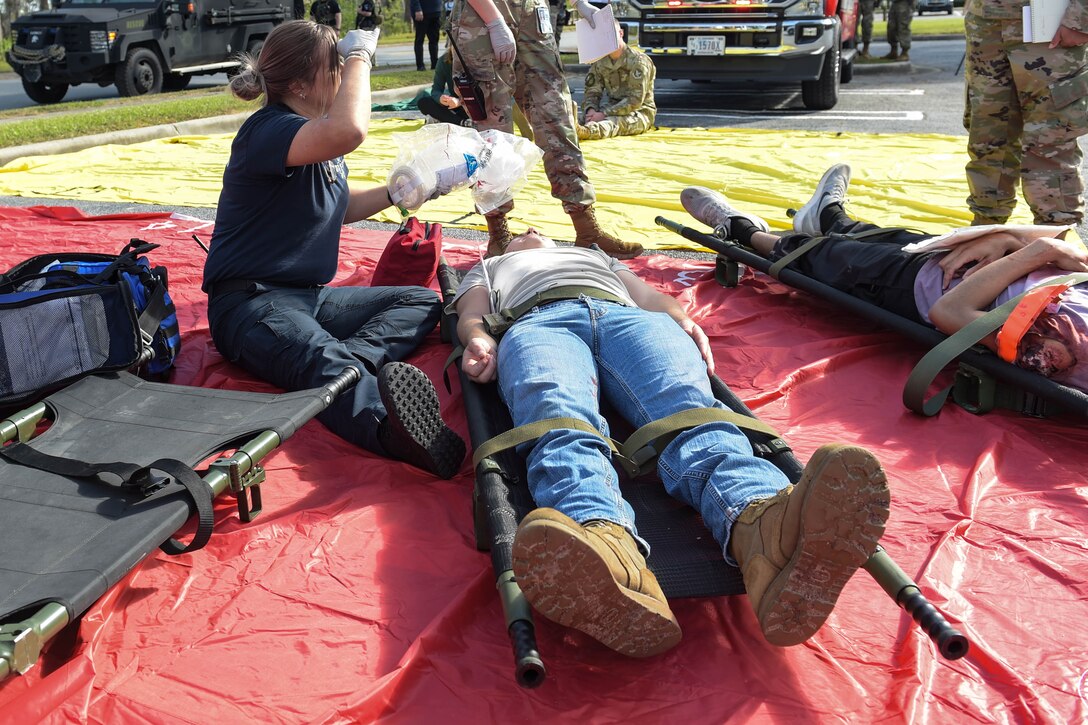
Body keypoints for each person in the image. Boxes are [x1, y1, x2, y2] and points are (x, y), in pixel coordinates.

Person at [449, 229, 891, 657]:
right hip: (535, 322)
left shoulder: (594, 256)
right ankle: (606, 548)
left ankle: (764, 528)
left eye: (537, 226)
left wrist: (680, 318)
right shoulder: (490, 266)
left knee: (691, 411)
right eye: (520, 231)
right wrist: (479, 339)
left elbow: (647, 296)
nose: (529, 228)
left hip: (627, 318)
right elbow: (471, 312)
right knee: (557, 420)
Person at [202, 21, 466, 480]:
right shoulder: (267, 131)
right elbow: (349, 129)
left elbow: (339, 208)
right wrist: (362, 56)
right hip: (249, 303)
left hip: (306, 298)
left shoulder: (310, 139)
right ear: (301, 83)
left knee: (419, 300)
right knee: (321, 357)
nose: (344, 78)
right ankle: (390, 428)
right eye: (335, 69)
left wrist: (404, 189)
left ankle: (351, 366)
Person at [681, 164, 1088, 393]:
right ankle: (830, 218)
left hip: (921, 288)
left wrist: (1040, 250)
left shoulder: (1064, 356)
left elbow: (950, 312)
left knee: (825, 257)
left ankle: (742, 230)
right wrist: (1010, 240)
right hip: (970, 259)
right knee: (898, 238)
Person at [447, 0, 643, 259]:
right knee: (492, 131)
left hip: (531, 14)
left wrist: (579, 3)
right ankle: (498, 235)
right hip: (481, 17)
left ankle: (587, 230)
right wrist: (494, 21)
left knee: (557, 117)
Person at [963, 0, 1088, 227]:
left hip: (1051, 24)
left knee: (1050, 135)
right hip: (986, 23)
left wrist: (1081, 18)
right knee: (988, 131)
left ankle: (1055, 234)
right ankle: (986, 226)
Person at [576, 22, 656, 141]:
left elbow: (635, 101)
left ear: (621, 33)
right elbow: (592, 92)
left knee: (614, 123)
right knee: (577, 119)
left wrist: (603, 114)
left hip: (639, 112)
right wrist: (591, 111)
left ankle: (588, 132)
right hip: (610, 108)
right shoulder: (600, 62)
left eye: (611, 34)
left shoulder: (638, 61)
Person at [418, 47, 471, 125]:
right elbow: (436, 89)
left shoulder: (474, 60)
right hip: (453, 104)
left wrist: (460, 101)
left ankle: (450, 119)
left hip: (472, 103)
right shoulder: (443, 61)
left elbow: (482, 91)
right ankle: (461, 122)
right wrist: (441, 98)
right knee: (424, 102)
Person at [411, 0, 443, 71]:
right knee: (420, 40)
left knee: (434, 40)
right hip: (422, 12)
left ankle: (435, 64)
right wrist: (417, 9)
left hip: (435, 11)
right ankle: (420, 65)